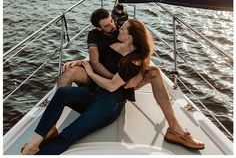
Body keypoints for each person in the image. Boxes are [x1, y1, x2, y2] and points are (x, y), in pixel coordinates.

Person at [58, 8, 205, 150]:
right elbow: (95, 62)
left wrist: (124, 80)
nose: (113, 26)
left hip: (124, 77)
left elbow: (141, 55)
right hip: (104, 75)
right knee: (68, 71)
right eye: (106, 25)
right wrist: (113, 79)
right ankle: (52, 127)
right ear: (98, 28)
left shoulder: (123, 32)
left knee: (155, 71)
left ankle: (175, 129)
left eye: (112, 21)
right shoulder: (94, 35)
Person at [21, 18, 155, 155]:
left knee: (69, 133)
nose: (118, 28)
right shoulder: (116, 44)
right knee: (62, 93)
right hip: (94, 91)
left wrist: (90, 73)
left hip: (109, 104)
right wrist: (81, 62)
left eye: (122, 28)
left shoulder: (135, 61)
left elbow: (111, 86)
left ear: (130, 37)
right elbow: (98, 61)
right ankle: (33, 145)